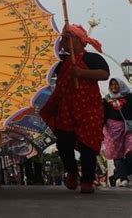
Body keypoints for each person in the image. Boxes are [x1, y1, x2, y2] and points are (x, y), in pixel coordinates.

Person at [39, 24, 109, 193]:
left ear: (76, 40)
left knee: (88, 144)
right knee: (64, 142)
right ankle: (71, 171)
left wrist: (81, 73)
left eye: (65, 38)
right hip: (67, 107)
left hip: (89, 108)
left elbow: (104, 74)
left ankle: (87, 180)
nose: (62, 42)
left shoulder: (92, 58)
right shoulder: (61, 63)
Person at [103, 77, 132, 187]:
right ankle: (123, 177)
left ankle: (125, 172)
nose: (114, 87)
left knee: (130, 153)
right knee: (117, 155)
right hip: (112, 131)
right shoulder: (106, 100)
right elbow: (103, 116)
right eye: (112, 85)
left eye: (116, 84)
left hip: (129, 128)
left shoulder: (129, 97)